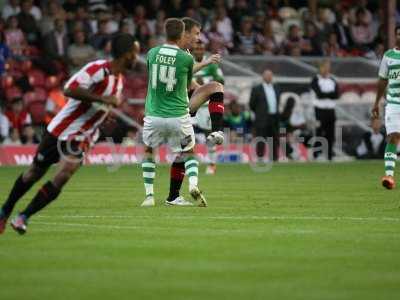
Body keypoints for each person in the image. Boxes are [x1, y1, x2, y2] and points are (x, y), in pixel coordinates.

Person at [0, 33, 139, 235]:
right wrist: (103, 99)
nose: (137, 57)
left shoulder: (119, 80)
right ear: (127, 55)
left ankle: (23, 217)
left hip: (82, 136)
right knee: (33, 173)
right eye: (135, 53)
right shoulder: (98, 69)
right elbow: (70, 89)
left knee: (65, 173)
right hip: (61, 129)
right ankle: (5, 211)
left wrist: (103, 114)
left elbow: (100, 104)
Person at [140, 18, 206, 207]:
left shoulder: (152, 53)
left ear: (165, 32)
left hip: (153, 115)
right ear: (181, 34)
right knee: (189, 152)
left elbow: (152, 77)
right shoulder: (186, 58)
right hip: (178, 116)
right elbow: (186, 86)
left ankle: (149, 196)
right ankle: (193, 185)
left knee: (149, 151)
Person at [164, 17, 225, 204]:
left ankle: (217, 131)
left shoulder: (186, 52)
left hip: (182, 102)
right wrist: (206, 63)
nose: (198, 38)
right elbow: (184, 73)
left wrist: (201, 93)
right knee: (186, 152)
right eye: (196, 33)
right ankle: (173, 196)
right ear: (185, 32)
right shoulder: (174, 53)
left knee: (215, 87)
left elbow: (188, 80)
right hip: (170, 106)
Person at [372, 26, 400, 189]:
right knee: (393, 137)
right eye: (398, 34)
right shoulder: (389, 56)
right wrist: (376, 103)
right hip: (394, 103)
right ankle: (389, 176)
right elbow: (382, 81)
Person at [191, 39, 224, 175]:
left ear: (204, 50)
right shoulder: (189, 62)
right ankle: (189, 162)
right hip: (191, 104)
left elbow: (220, 82)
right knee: (186, 134)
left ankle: (212, 164)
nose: (199, 51)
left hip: (205, 106)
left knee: (209, 136)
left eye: (201, 49)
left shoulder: (211, 65)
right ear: (193, 50)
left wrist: (205, 84)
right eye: (196, 49)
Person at [310, 60, 339, 161]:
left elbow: (336, 95)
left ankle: (329, 155)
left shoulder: (333, 80)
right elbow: (319, 94)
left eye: (328, 67)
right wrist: (329, 95)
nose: (326, 69)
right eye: (324, 67)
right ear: (320, 68)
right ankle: (316, 154)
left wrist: (326, 94)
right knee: (319, 132)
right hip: (319, 110)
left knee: (330, 134)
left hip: (331, 110)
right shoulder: (315, 79)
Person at [249, 69, 280, 161]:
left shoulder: (276, 88)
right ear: (263, 77)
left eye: (270, 75)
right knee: (261, 137)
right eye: (267, 75)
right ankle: (260, 157)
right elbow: (252, 104)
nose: (269, 77)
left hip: (274, 117)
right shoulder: (257, 89)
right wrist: (259, 113)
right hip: (262, 117)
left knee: (274, 138)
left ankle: (274, 157)